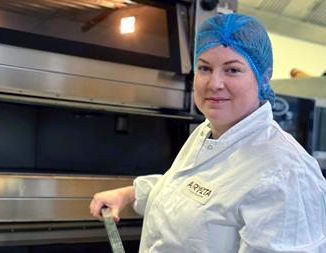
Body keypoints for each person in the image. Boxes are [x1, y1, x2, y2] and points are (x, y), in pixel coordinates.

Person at [90, 13, 326, 253]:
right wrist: (128, 194)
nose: (214, 83)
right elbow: (193, 188)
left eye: (232, 70)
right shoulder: (208, 131)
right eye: (205, 68)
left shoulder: (286, 174)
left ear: (263, 79)